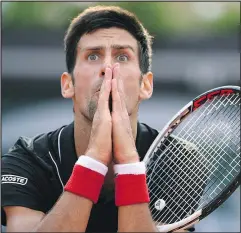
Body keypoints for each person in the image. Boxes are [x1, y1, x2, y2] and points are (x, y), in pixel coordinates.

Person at [1, 5, 195, 232]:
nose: (107, 68)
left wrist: (128, 163)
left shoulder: (179, 159)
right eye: (93, 56)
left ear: (146, 85)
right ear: (68, 84)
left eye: (122, 57)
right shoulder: (28, 159)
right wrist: (94, 160)